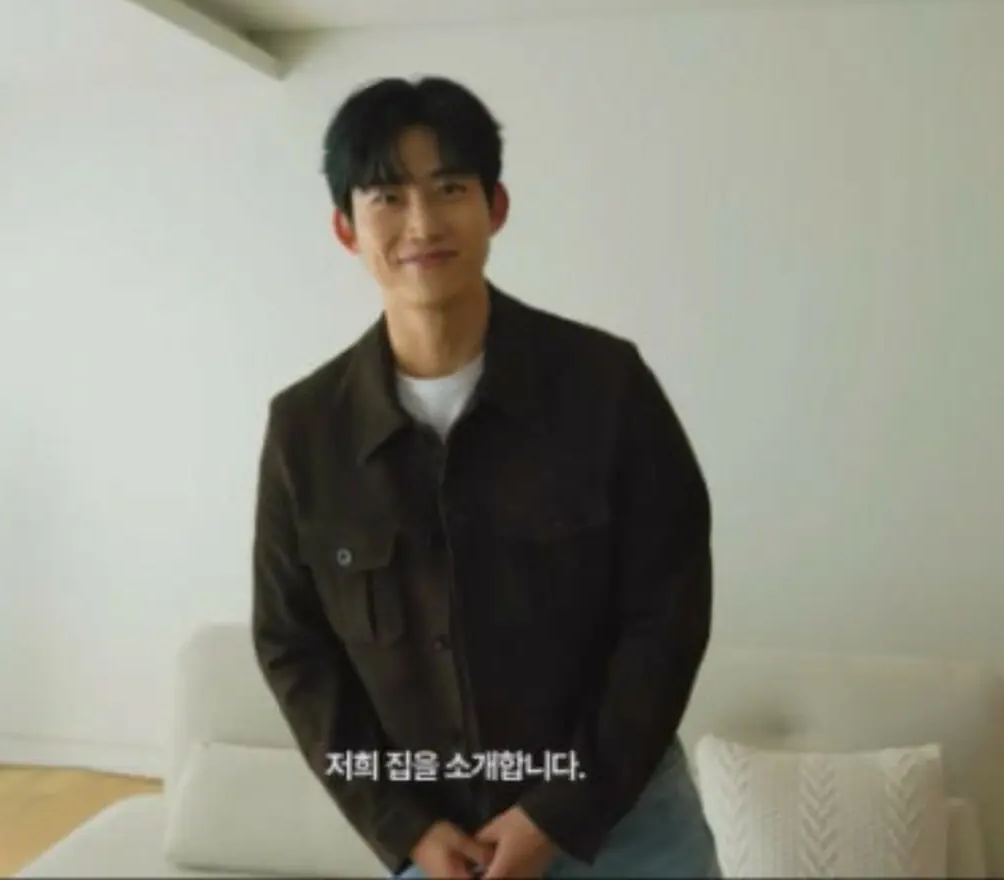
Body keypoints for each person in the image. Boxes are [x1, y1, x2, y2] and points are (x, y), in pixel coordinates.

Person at [252, 75, 720, 879]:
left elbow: (668, 616)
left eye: (450, 189)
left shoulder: (607, 386)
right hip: (440, 847)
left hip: (626, 827)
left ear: (495, 207)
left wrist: (557, 812)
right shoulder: (306, 430)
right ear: (345, 228)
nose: (422, 224)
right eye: (388, 197)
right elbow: (293, 648)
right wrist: (403, 825)